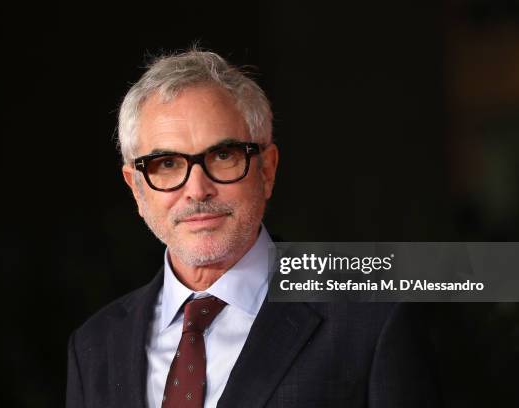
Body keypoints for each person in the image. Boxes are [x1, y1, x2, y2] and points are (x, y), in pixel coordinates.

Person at [66, 49, 440, 408]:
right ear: (136, 187)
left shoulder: (371, 320)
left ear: (267, 170)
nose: (197, 190)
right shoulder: (94, 346)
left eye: (223, 156)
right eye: (166, 164)